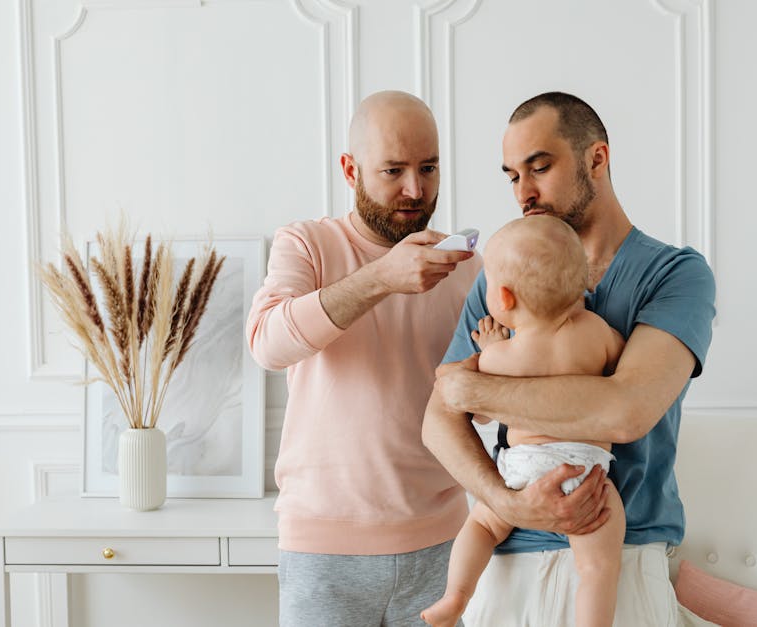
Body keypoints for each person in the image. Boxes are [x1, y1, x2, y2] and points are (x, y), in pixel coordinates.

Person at [421, 92, 717, 626]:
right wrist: (507, 503)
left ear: (596, 159)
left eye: (540, 167)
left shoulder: (674, 275)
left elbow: (625, 411)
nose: (524, 193)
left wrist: (472, 390)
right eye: (512, 176)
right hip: (506, 561)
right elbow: (436, 422)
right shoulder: (502, 274)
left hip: (619, 557)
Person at [246, 90, 481, 627]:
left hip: (442, 544)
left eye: (429, 168)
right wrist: (380, 278)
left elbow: (483, 410)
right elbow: (267, 343)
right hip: (322, 551)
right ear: (351, 170)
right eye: (393, 170)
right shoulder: (306, 244)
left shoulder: (465, 267)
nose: (415, 190)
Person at [421, 215, 626, 627]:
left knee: (481, 523)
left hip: (520, 470)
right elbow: (622, 368)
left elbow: (472, 404)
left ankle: (455, 598)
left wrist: (493, 351)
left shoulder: (499, 357)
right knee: (598, 568)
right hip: (583, 469)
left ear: (505, 298)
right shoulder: (596, 331)